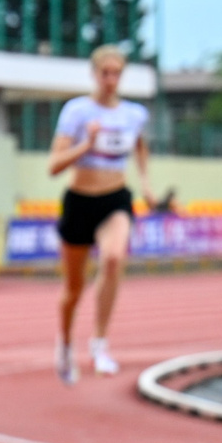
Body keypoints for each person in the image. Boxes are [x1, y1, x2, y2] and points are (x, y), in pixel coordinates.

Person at [49, 44, 149, 382]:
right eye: (105, 73)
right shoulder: (77, 112)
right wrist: (86, 145)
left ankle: (100, 342)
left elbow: (140, 146)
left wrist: (146, 182)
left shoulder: (134, 114)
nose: (110, 79)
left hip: (115, 199)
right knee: (73, 288)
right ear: (94, 74)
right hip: (80, 200)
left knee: (113, 259)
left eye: (116, 73)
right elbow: (54, 165)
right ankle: (64, 343)